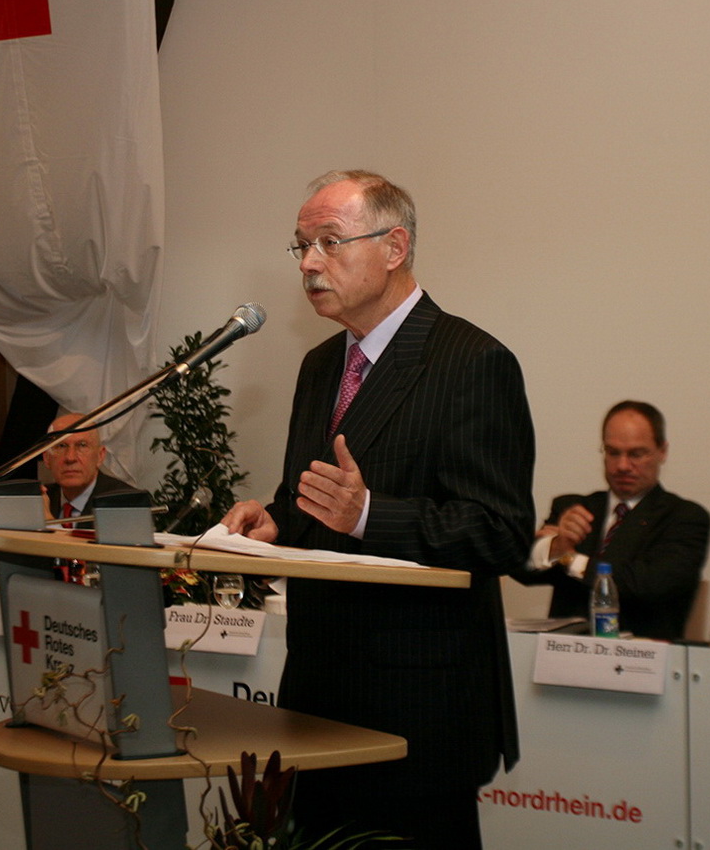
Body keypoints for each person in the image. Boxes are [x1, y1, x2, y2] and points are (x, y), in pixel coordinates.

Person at [221, 170, 535, 850]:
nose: (308, 263)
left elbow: (501, 533)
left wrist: (369, 515)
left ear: (395, 247)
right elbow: (315, 500)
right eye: (302, 245)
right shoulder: (318, 366)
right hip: (317, 696)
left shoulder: (472, 361)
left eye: (329, 242)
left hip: (416, 711)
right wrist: (277, 521)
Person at [518, 400, 710, 639]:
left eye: (636, 454)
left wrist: (570, 559)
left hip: (640, 651)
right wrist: (555, 547)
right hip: (565, 649)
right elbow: (521, 569)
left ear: (662, 451)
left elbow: (644, 584)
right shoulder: (574, 508)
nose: (622, 466)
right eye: (613, 452)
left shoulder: (685, 517)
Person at [40, 412, 138, 522]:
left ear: (100, 456)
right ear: (47, 458)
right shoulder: (40, 499)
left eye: (82, 445)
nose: (70, 458)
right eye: (61, 446)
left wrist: (49, 522)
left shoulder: (128, 502)